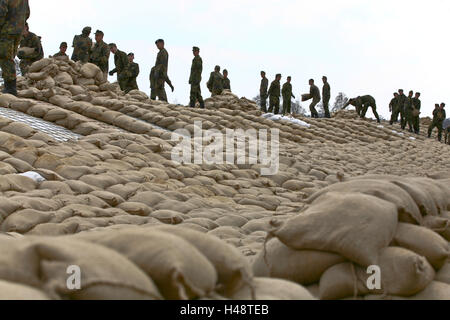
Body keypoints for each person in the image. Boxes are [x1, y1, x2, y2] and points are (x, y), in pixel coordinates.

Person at [0, 0, 30, 96]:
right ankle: (9, 86)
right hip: (18, 30)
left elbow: (1, 12)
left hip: (7, 30)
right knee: (10, 57)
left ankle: (10, 87)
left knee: (5, 57)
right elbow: (27, 13)